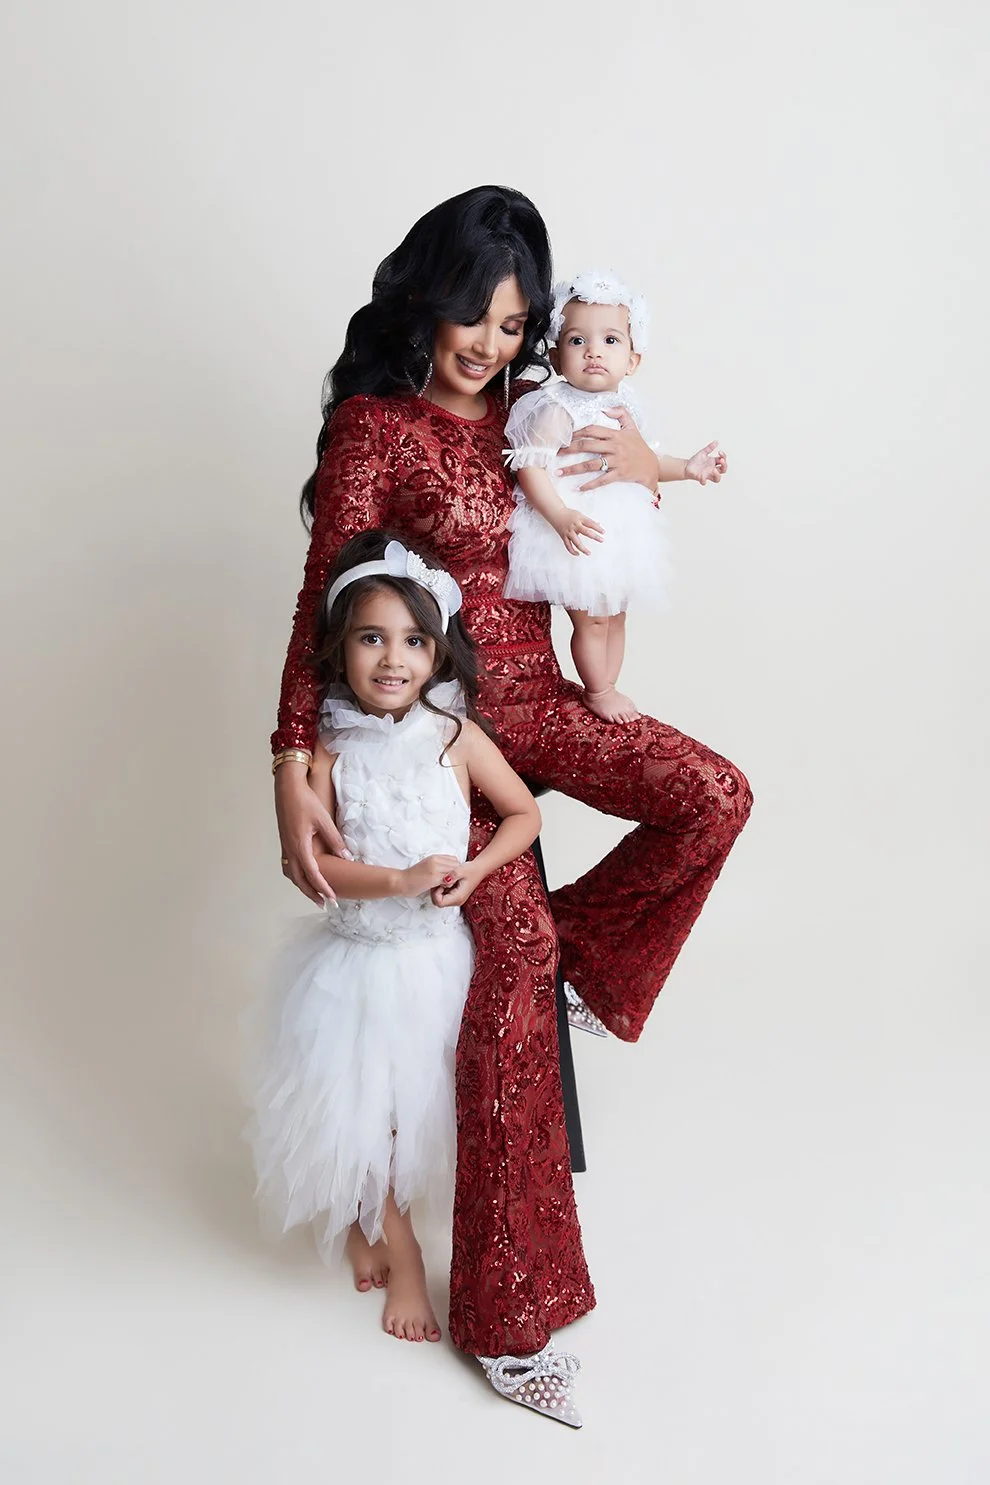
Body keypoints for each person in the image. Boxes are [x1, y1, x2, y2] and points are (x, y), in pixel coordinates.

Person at [271, 185, 752, 1422]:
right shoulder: (379, 428)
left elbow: (622, 472)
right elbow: (320, 606)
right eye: (471, 319)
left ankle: (588, 976)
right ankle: (510, 1317)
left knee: (714, 796)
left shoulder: (539, 409)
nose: (489, 345)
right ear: (426, 304)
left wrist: (649, 459)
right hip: (446, 733)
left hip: (548, 696)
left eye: (513, 322)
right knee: (510, 949)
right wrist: (290, 765)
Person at [252, 532, 569, 1371]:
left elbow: (524, 816)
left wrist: (475, 871)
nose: (393, 658)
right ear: (339, 648)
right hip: (358, 967)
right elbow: (314, 868)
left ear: (437, 652)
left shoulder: (454, 736)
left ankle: (375, 1223)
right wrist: (394, 881)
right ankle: (400, 1255)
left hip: (437, 961)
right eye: (371, 637)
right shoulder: (326, 748)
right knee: (366, 1115)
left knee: (414, 1112)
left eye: (413, 640)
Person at [503, 269, 727, 723]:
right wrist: (559, 515)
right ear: (555, 353)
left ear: (633, 359)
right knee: (592, 617)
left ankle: (611, 683)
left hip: (620, 526)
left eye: (610, 341)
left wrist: (688, 468)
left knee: (617, 614)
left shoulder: (632, 406)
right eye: (577, 341)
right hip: (574, 524)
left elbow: (646, 464)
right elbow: (531, 466)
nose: (593, 353)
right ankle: (598, 689)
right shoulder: (554, 407)